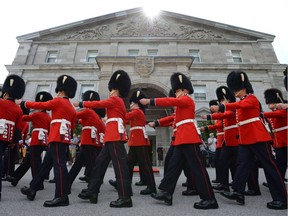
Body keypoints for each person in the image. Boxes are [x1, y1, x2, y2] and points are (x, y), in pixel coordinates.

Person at [140, 72, 218, 209]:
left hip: (188, 137)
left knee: (198, 169)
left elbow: (170, 101)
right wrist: (157, 122)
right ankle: (166, 193)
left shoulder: (186, 99)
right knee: (173, 167)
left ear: (184, 90)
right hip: (181, 139)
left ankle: (210, 198)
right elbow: (173, 116)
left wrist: (150, 101)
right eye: (175, 90)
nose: (175, 93)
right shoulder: (180, 105)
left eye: (177, 90)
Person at [210, 70, 287, 210]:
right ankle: (238, 192)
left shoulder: (251, 98)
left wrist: (222, 106)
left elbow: (238, 107)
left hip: (257, 137)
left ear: (243, 86)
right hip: (246, 139)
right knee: (242, 165)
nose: (234, 92)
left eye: (236, 88)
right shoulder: (242, 100)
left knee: (270, 167)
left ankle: (282, 198)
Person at [75, 70, 133, 208]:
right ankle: (92, 191)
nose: (110, 91)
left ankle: (125, 197)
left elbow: (98, 104)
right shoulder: (118, 102)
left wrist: (82, 104)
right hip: (111, 136)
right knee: (99, 164)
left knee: (120, 166)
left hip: (114, 137)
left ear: (115, 89)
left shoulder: (115, 99)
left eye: (112, 88)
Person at [19, 74, 77, 207]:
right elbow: (72, 126)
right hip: (63, 137)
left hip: (57, 136)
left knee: (59, 166)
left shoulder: (58, 101)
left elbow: (41, 104)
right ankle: (33, 188)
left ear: (61, 90)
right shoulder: (71, 108)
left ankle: (62, 196)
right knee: (46, 165)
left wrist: (23, 103)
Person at [7, 91, 52, 187]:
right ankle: (15, 177)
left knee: (35, 162)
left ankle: (38, 184)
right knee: (28, 161)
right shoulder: (48, 117)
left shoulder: (36, 115)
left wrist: (16, 112)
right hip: (43, 140)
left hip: (36, 140)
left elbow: (24, 119)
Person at [68, 90, 106, 190]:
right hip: (90, 142)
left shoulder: (88, 111)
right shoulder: (93, 114)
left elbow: (73, 115)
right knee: (78, 164)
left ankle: (93, 189)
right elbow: (80, 120)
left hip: (88, 142)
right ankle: (67, 183)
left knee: (91, 167)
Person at [0, 75, 25, 201]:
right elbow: (19, 127)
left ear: (5, 93)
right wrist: (14, 142)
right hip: (7, 137)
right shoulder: (18, 109)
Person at [262, 88, 287, 182]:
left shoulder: (283, 111)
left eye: (270, 103)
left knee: (281, 162)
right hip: (278, 141)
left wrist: (262, 114)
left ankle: (278, 180)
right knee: (280, 162)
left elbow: (279, 114)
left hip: (285, 139)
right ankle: (279, 180)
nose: (269, 105)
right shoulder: (273, 113)